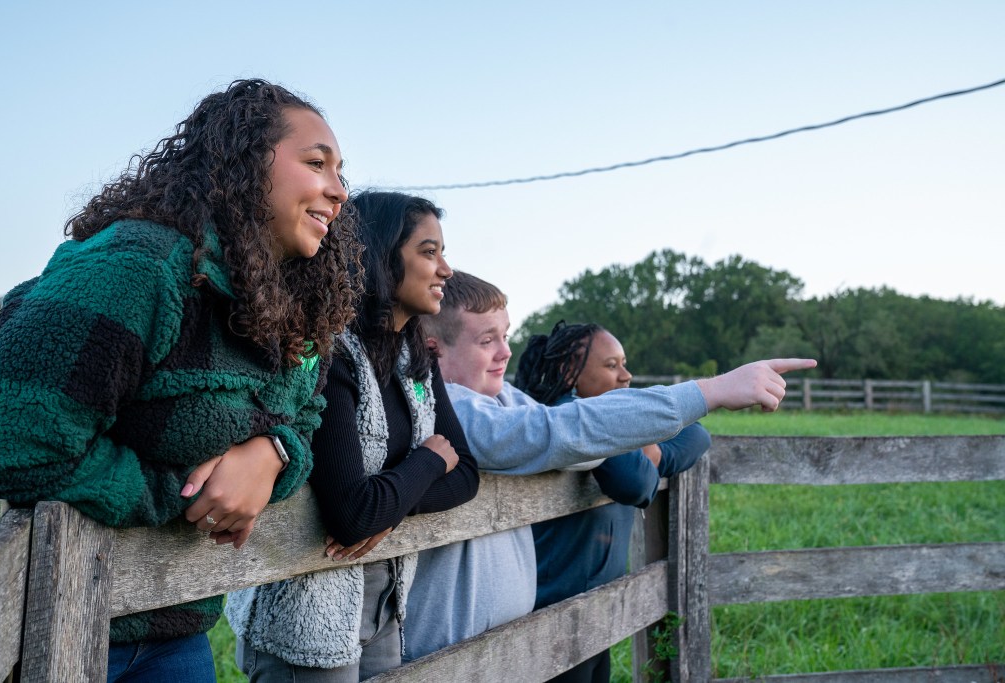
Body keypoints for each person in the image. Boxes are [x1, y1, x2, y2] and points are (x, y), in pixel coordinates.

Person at [0, 79, 360, 681]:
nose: (339, 191)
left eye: (341, 171)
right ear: (243, 161)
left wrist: (273, 453)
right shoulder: (140, 265)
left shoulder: (290, 311)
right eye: (317, 163)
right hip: (62, 633)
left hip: (178, 630)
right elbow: (8, 440)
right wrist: (182, 497)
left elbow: (307, 416)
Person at [402, 271, 815, 663]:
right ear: (435, 349)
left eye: (505, 336)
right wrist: (709, 391)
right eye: (487, 340)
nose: (506, 351)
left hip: (508, 646)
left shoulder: (505, 398)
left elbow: (579, 440)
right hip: (446, 654)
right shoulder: (446, 408)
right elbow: (557, 432)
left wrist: (628, 443)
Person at [226, 191, 479, 682]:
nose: (446, 269)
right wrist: (426, 462)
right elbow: (352, 515)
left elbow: (466, 474)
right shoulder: (327, 353)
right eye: (429, 252)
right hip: (305, 616)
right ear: (383, 256)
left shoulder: (416, 361)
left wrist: (391, 503)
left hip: (385, 604)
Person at [514, 321, 712, 683]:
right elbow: (633, 482)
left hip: (595, 611)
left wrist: (649, 452)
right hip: (553, 618)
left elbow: (696, 433)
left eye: (624, 363)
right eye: (611, 365)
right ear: (569, 370)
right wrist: (645, 453)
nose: (626, 375)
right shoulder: (561, 418)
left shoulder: (613, 419)